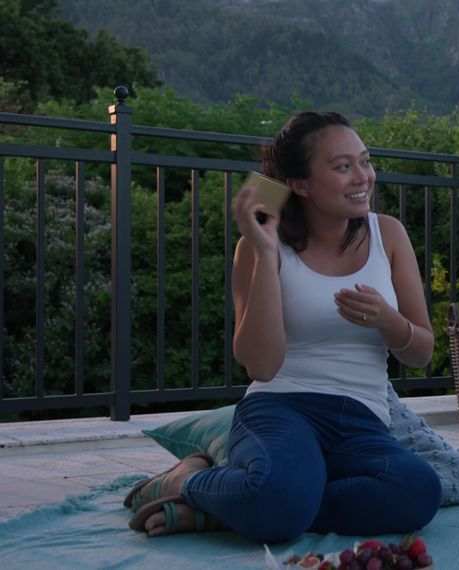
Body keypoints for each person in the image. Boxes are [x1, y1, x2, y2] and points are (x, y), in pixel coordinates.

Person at [124, 111, 441, 542]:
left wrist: (389, 320)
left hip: (361, 416)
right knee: (280, 500)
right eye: (342, 166)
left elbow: (421, 354)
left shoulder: (388, 234)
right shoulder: (258, 246)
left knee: (417, 491)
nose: (362, 177)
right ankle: (186, 481)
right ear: (299, 184)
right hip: (281, 408)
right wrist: (265, 252)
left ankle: (231, 507)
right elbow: (262, 366)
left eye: (364, 161)